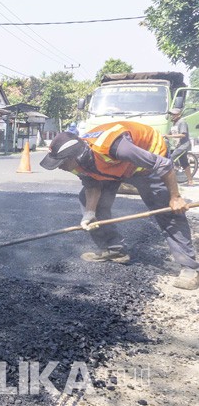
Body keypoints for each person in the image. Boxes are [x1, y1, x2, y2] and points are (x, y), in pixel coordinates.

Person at [40, 121, 199, 290]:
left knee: (168, 211)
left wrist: (175, 197)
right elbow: (92, 185)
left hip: (148, 164)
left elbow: (164, 165)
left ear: (73, 157)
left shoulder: (114, 146)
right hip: (118, 168)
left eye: (61, 163)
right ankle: (113, 248)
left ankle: (189, 268)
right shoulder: (76, 162)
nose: (59, 168)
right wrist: (90, 212)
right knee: (87, 201)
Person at [164, 108, 194, 186]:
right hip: (178, 146)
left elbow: (183, 134)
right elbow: (168, 134)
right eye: (171, 114)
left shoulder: (182, 122)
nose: (171, 116)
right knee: (184, 162)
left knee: (171, 159)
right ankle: (190, 180)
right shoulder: (174, 123)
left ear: (179, 115)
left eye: (173, 114)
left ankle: (169, 180)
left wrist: (169, 136)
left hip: (183, 146)